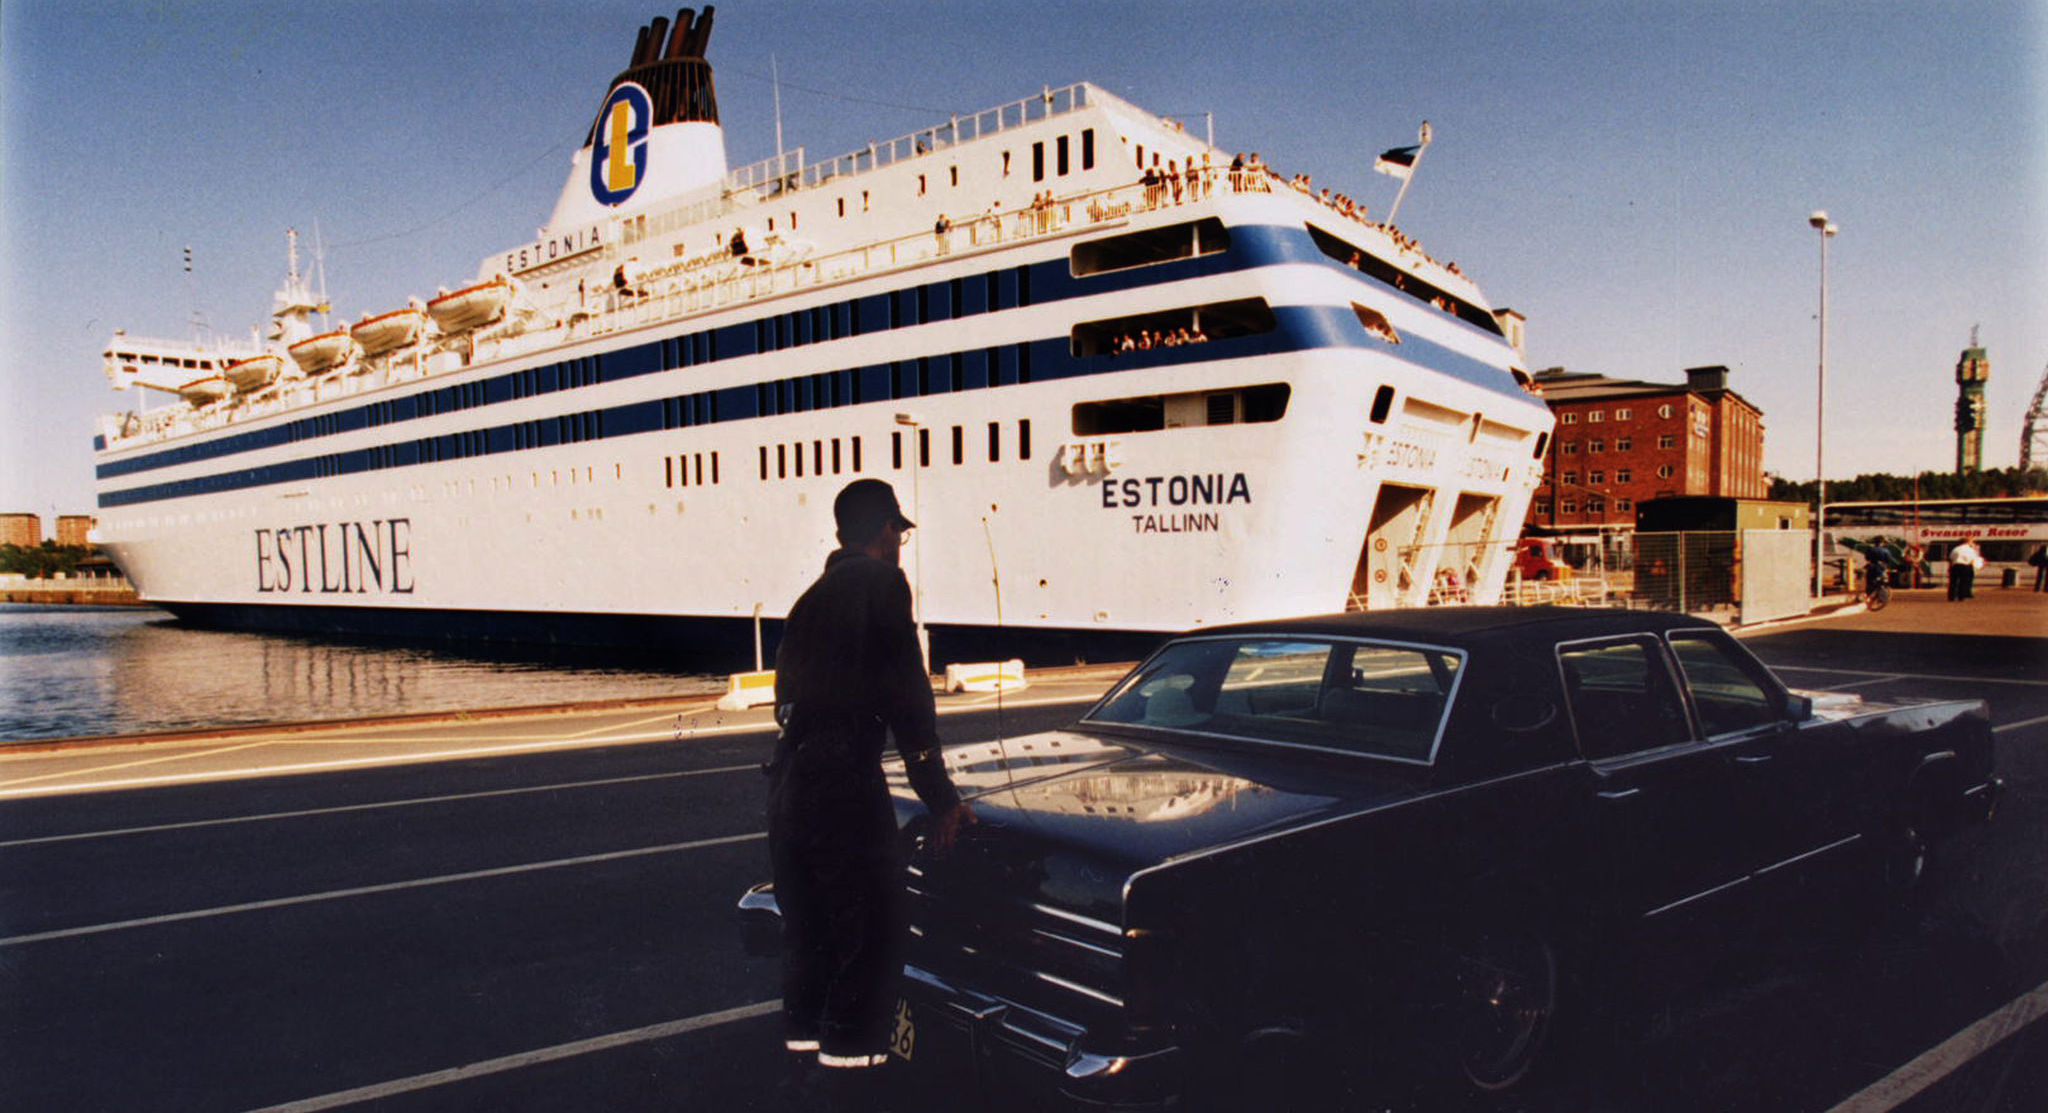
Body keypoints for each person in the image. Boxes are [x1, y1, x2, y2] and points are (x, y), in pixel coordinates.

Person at [767, 479, 974, 1095]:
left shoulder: (809, 598)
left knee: (811, 937)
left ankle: (805, 1071)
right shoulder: (883, 583)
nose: (902, 542)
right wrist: (940, 797)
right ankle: (858, 1087)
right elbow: (908, 698)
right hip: (842, 786)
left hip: (789, 786)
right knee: (873, 935)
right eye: (900, 530)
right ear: (885, 530)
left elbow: (784, 699)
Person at [1947, 537, 1982, 601]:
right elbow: (1973, 559)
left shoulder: (1955, 549)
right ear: (1967, 542)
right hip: (1966, 566)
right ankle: (1961, 597)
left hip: (1956, 565)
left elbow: (1951, 558)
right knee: (1963, 582)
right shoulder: (1970, 550)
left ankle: (1951, 597)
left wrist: (1950, 567)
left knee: (1953, 582)